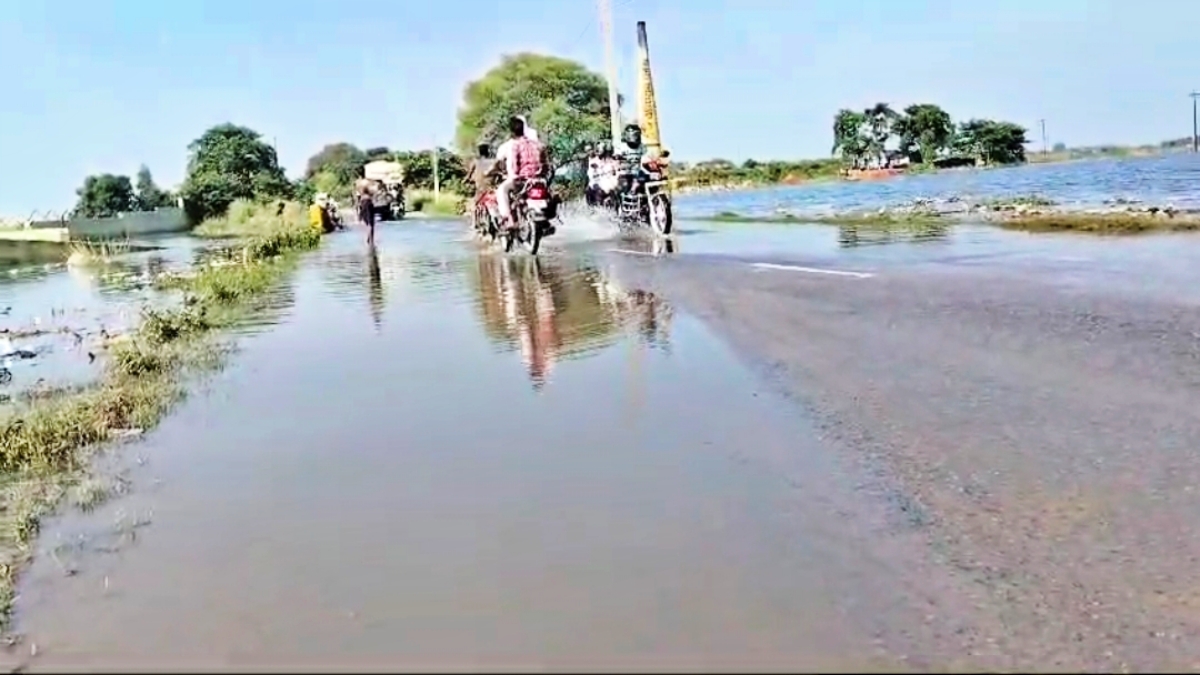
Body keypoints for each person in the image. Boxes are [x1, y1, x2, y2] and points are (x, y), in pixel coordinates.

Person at [494, 116, 548, 231]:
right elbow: (545, 163)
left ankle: (508, 219)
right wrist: (542, 174)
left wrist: (513, 176)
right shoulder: (537, 144)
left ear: (511, 131)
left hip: (522, 180)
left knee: (502, 190)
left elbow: (514, 164)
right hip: (538, 180)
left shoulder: (515, 145)